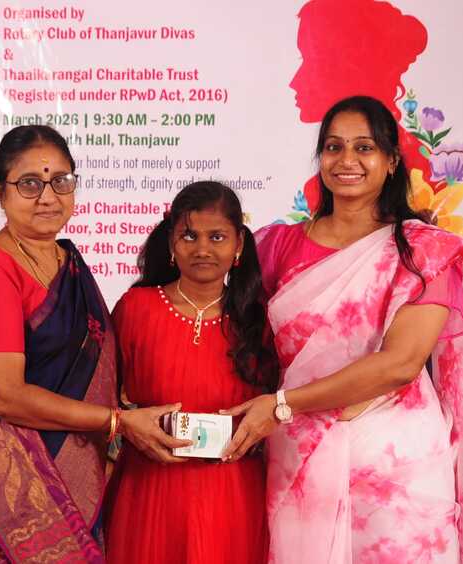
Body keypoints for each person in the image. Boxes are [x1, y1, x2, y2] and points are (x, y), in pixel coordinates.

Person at [221, 96, 463, 563]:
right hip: (299, 459)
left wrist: (280, 406)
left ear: (392, 161)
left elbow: (399, 365)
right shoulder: (274, 247)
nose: (347, 160)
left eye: (364, 148)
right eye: (334, 147)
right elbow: (235, 336)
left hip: (395, 469)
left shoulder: (423, 253)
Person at [0, 124, 184, 563]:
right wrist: (116, 423)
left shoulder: (69, 263)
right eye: (29, 184)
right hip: (2, 488)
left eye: (60, 181)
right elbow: (2, 395)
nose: (47, 196)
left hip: (75, 470)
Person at [105, 181, 277, 564]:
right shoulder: (136, 308)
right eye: (189, 235)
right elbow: (104, 399)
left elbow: (279, 408)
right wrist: (127, 425)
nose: (202, 249)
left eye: (217, 237)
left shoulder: (258, 319)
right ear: (171, 244)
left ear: (238, 246)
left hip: (233, 493)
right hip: (149, 489)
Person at [290, 0, 432, 212]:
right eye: (333, 147)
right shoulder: (291, 228)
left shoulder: (424, 178)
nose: (295, 81)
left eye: (364, 148)